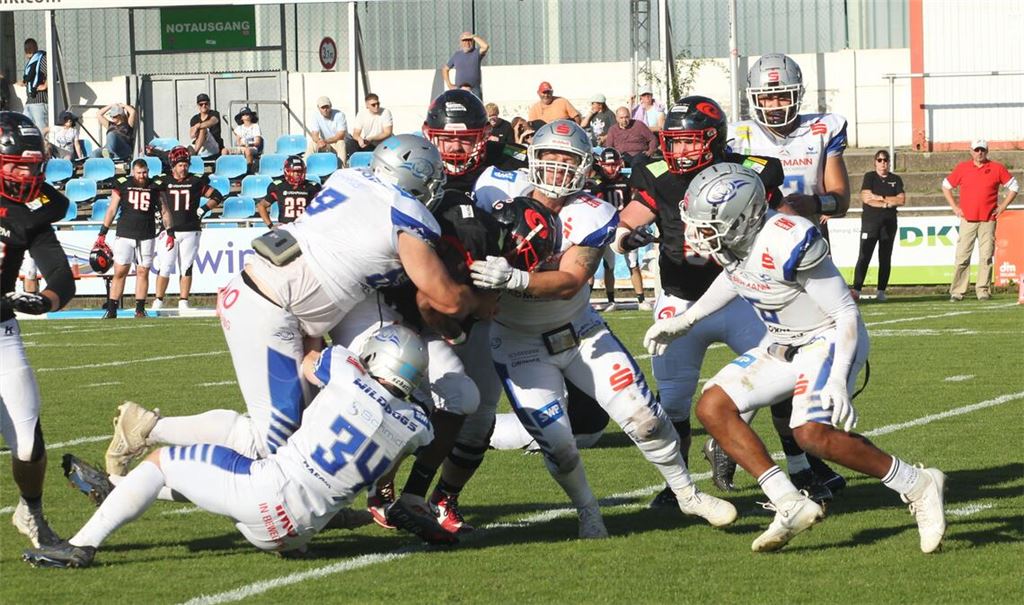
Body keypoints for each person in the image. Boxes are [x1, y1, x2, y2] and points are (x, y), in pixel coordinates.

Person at [104, 137, 478, 492]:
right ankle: (147, 438)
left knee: (300, 431)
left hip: (272, 296)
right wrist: (485, 293)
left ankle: (152, 444)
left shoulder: (349, 178)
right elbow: (446, 299)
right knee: (269, 443)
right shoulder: (405, 210)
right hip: (269, 307)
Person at [645, 163, 948, 554]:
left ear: (744, 217)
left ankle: (918, 484)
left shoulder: (788, 238)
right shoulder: (737, 241)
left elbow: (844, 312)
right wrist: (685, 320)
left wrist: (838, 377)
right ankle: (789, 502)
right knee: (713, 407)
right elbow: (736, 277)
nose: (699, 235)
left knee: (810, 434)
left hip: (827, 339)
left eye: (709, 226)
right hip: (782, 342)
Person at [469, 119, 737, 538]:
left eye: (568, 159)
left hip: (579, 330)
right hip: (518, 339)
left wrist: (515, 278)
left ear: (584, 166)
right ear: (532, 158)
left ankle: (687, 494)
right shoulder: (493, 192)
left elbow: (570, 281)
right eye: (550, 156)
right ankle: (588, 513)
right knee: (558, 443)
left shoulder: (591, 211)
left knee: (646, 420)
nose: (557, 166)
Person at [21, 326, 437, 568]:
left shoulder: (347, 373)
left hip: (264, 495)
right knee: (233, 451)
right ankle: (116, 488)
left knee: (160, 463)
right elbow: (384, 468)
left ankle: (81, 545)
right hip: (296, 534)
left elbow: (311, 361)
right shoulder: (417, 427)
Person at [614, 96, 834, 507]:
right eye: (674, 141)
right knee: (673, 401)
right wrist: (625, 236)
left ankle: (802, 467)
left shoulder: (750, 170)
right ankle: (678, 487)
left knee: (784, 381)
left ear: (714, 140)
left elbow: (782, 218)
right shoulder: (656, 174)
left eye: (689, 141)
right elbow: (632, 215)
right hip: (680, 301)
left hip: (740, 300)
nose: (679, 150)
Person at [0, 111, 76, 548]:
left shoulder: (32, 213)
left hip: (1, 330)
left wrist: (44, 301)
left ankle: (31, 513)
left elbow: (61, 277)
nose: (26, 175)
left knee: (28, 442)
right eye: (17, 166)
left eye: (32, 167)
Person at [727, 53, 851, 241]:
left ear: (797, 94)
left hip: (807, 241)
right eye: (767, 97)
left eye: (784, 96)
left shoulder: (823, 130)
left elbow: (842, 201)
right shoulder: (737, 138)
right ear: (755, 98)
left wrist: (815, 203)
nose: (775, 105)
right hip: (755, 244)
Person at [943, 139, 1019, 301]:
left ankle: (983, 290)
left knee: (986, 256)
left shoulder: (997, 168)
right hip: (967, 219)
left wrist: (1003, 207)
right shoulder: (962, 168)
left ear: (987, 151)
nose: (979, 153)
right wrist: (955, 207)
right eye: (976, 150)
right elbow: (946, 185)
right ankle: (957, 291)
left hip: (988, 220)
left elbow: (1014, 187)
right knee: (962, 256)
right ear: (971, 151)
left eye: (982, 150)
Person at [150, 146, 223, 311]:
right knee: (165, 265)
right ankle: (158, 300)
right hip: (168, 230)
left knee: (186, 266)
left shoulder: (195, 181)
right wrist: (156, 212)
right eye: (180, 165)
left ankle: (183, 300)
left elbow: (217, 196)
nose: (183, 168)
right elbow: (152, 195)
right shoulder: (164, 180)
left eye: (185, 165)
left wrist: (204, 209)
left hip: (191, 229)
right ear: (173, 166)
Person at [95, 159, 162, 319]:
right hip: (125, 232)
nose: (142, 176)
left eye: (144, 172)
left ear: (148, 171)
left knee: (143, 271)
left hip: (146, 233)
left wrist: (169, 230)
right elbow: (112, 209)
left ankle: (140, 309)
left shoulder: (154, 185)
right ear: (133, 172)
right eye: (139, 173)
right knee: (120, 271)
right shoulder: (122, 184)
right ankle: (112, 309)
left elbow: (164, 209)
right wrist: (103, 232)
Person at [586, 147, 649, 312]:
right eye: (607, 165)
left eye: (613, 165)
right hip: (607, 228)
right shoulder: (597, 184)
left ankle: (641, 299)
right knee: (608, 266)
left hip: (626, 226)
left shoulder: (628, 182)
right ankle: (610, 300)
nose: (611, 169)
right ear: (601, 165)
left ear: (619, 164)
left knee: (633, 264)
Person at [853, 149, 905, 301]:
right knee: (864, 255)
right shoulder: (869, 177)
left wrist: (880, 197)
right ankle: (857, 290)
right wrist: (886, 204)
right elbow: (867, 199)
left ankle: (881, 291)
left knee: (885, 257)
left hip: (889, 223)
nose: (883, 163)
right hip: (871, 222)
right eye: (880, 160)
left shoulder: (895, 179)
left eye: (885, 160)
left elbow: (901, 200)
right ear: (875, 162)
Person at [256, 155, 320, 228]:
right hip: (286, 227)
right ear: (287, 171)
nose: (297, 174)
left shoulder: (313, 186)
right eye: (293, 171)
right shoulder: (279, 186)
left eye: (299, 171)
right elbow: (261, 206)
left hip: (305, 227)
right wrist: (271, 226)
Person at [443, 32, 489, 99]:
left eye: (469, 40)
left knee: (476, 106)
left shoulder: (477, 52)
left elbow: (485, 46)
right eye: (464, 41)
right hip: (459, 90)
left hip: (474, 90)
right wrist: (449, 85)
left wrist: (473, 36)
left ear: (472, 41)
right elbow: (445, 69)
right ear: (461, 42)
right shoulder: (457, 55)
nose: (467, 43)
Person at [346, 93, 393, 158]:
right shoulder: (362, 114)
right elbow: (356, 133)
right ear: (367, 105)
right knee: (351, 143)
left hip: (383, 146)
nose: (376, 106)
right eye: (373, 105)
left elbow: (387, 132)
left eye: (378, 103)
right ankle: (355, 162)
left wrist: (372, 138)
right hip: (369, 144)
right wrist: (359, 139)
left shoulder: (385, 112)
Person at [16, 39, 48, 130]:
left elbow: (53, 73)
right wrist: (24, 83)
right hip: (29, 101)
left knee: (42, 130)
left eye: (29, 48)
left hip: (39, 102)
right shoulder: (32, 62)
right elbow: (32, 78)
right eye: (26, 49)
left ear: (35, 48)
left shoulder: (42, 59)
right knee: (24, 128)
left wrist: (45, 85)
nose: (27, 51)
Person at [309, 96, 347, 162]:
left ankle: (342, 166)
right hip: (325, 144)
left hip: (337, 143)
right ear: (318, 108)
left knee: (341, 142)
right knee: (313, 143)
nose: (325, 109)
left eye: (327, 107)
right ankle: (305, 164)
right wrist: (319, 141)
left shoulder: (339, 115)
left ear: (331, 106)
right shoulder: (315, 116)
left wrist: (325, 141)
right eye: (322, 107)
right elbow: (314, 134)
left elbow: (340, 135)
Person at [189, 93, 223, 159]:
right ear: (198, 105)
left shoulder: (214, 114)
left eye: (206, 104)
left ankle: (194, 154)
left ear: (209, 104)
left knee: (203, 129)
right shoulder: (194, 118)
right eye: (201, 104)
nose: (204, 106)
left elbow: (213, 121)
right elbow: (192, 135)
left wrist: (197, 126)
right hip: (200, 146)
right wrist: (195, 129)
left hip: (213, 146)